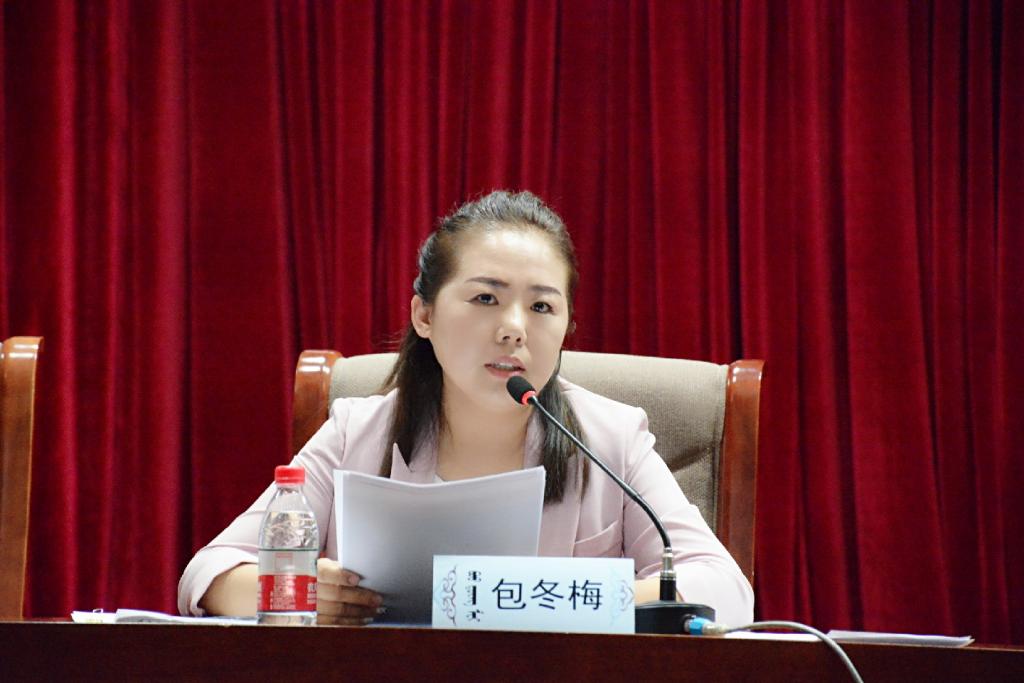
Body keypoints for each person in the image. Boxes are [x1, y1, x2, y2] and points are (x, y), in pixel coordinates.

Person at [178, 190, 754, 626]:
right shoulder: (357, 432)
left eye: (542, 307)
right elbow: (208, 575)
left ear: (566, 328)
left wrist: (571, 597)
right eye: (485, 298)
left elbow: (725, 589)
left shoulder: (612, 438)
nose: (514, 329)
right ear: (424, 315)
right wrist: (302, 591)